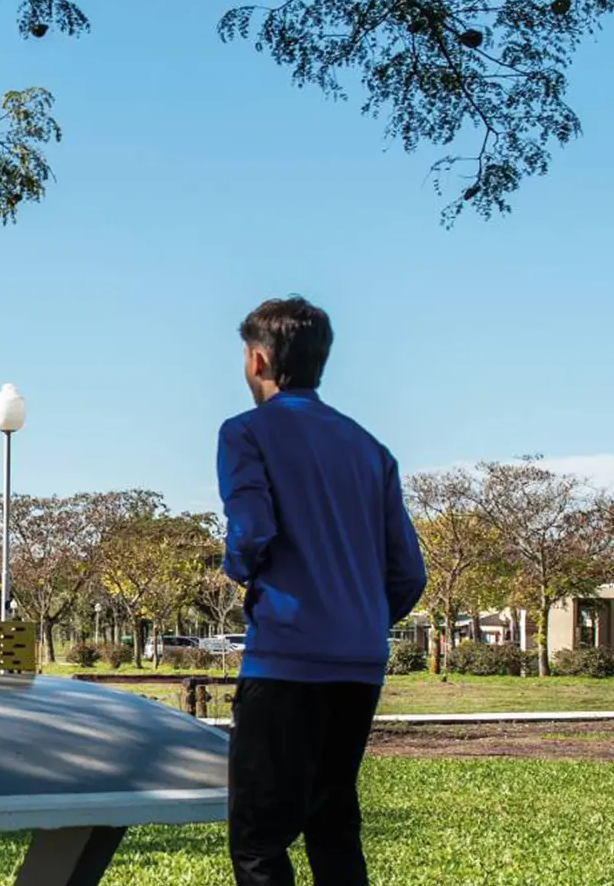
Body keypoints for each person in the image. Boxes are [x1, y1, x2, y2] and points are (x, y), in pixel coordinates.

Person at [217, 297, 426, 886]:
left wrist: (238, 569)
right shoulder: (371, 450)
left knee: (259, 838)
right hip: (359, 666)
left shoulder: (245, 434)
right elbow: (408, 572)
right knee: (332, 826)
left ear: (257, 361)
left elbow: (251, 532)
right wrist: (357, 620)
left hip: (285, 660)